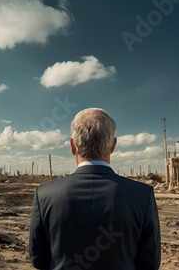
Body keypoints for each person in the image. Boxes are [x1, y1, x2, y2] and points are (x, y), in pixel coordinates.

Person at [29, 108, 161, 270]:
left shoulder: (44, 194)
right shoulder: (143, 194)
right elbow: (150, 263)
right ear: (113, 146)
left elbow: (38, 259)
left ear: (72, 146)